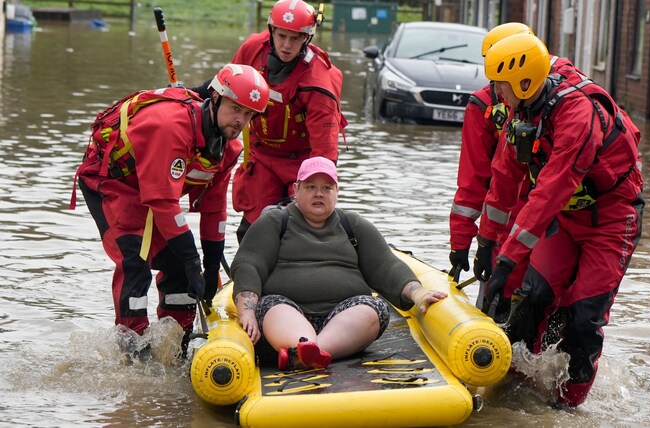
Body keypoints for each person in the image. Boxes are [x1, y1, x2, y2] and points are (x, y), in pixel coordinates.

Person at [475, 33, 643, 408]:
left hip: (612, 217)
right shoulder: (523, 110)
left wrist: (509, 258)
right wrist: (487, 244)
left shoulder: (576, 114)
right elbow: (503, 178)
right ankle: (513, 389)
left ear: (523, 81)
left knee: (584, 318)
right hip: (566, 219)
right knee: (532, 297)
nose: (495, 91)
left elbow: (551, 188)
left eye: (500, 84)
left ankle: (566, 407)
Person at [73, 64, 270, 357]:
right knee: (135, 259)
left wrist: (210, 265)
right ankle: (132, 346)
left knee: (179, 267)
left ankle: (178, 342)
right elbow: (163, 202)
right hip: (112, 183)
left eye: (249, 114)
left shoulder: (226, 148)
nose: (240, 121)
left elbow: (214, 208)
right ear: (215, 98)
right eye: (235, 109)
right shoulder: (172, 127)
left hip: (154, 190)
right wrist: (193, 259)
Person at [231, 156, 447, 370]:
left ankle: (306, 355)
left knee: (373, 308)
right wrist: (247, 312)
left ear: (337, 192)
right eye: (310, 187)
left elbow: (387, 266)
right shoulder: (274, 223)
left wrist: (418, 293)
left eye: (326, 187)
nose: (318, 193)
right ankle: (305, 349)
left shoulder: (353, 225)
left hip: (341, 319)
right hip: (285, 314)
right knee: (274, 306)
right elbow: (249, 264)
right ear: (296, 190)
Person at [449, 22, 591, 323]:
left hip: (554, 205)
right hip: (514, 210)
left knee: (556, 297)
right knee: (503, 289)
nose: (501, 90)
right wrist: (464, 244)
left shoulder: (563, 101)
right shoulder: (483, 106)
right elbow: (474, 181)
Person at [193, 0, 347, 243]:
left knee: (297, 228)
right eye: (281, 36)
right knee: (250, 231)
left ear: (307, 38)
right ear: (271, 31)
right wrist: (186, 95)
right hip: (262, 155)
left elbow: (324, 153)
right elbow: (224, 87)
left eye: (294, 38)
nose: (286, 45)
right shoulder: (254, 48)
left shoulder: (318, 84)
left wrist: (316, 192)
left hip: (303, 162)